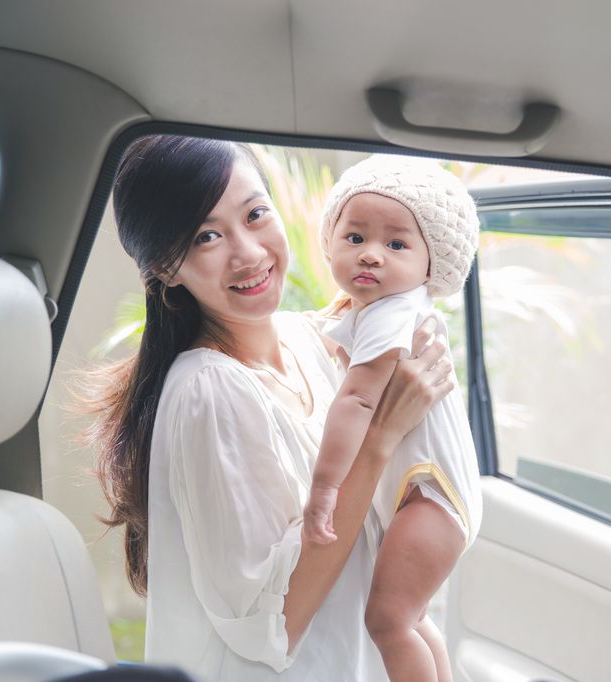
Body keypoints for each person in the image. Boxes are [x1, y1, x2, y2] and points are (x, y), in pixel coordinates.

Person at [86, 136, 455, 681]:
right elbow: (276, 622)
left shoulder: (311, 339)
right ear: (166, 267)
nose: (249, 252)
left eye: (256, 214)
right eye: (207, 236)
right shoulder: (207, 392)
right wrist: (380, 435)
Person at [301, 156, 483, 681]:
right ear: (331, 243)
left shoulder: (391, 313)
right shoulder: (371, 310)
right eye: (355, 237)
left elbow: (357, 402)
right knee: (411, 617)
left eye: (397, 244)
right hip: (432, 492)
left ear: (431, 268)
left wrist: (324, 489)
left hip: (433, 496)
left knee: (387, 621)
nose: (372, 255)